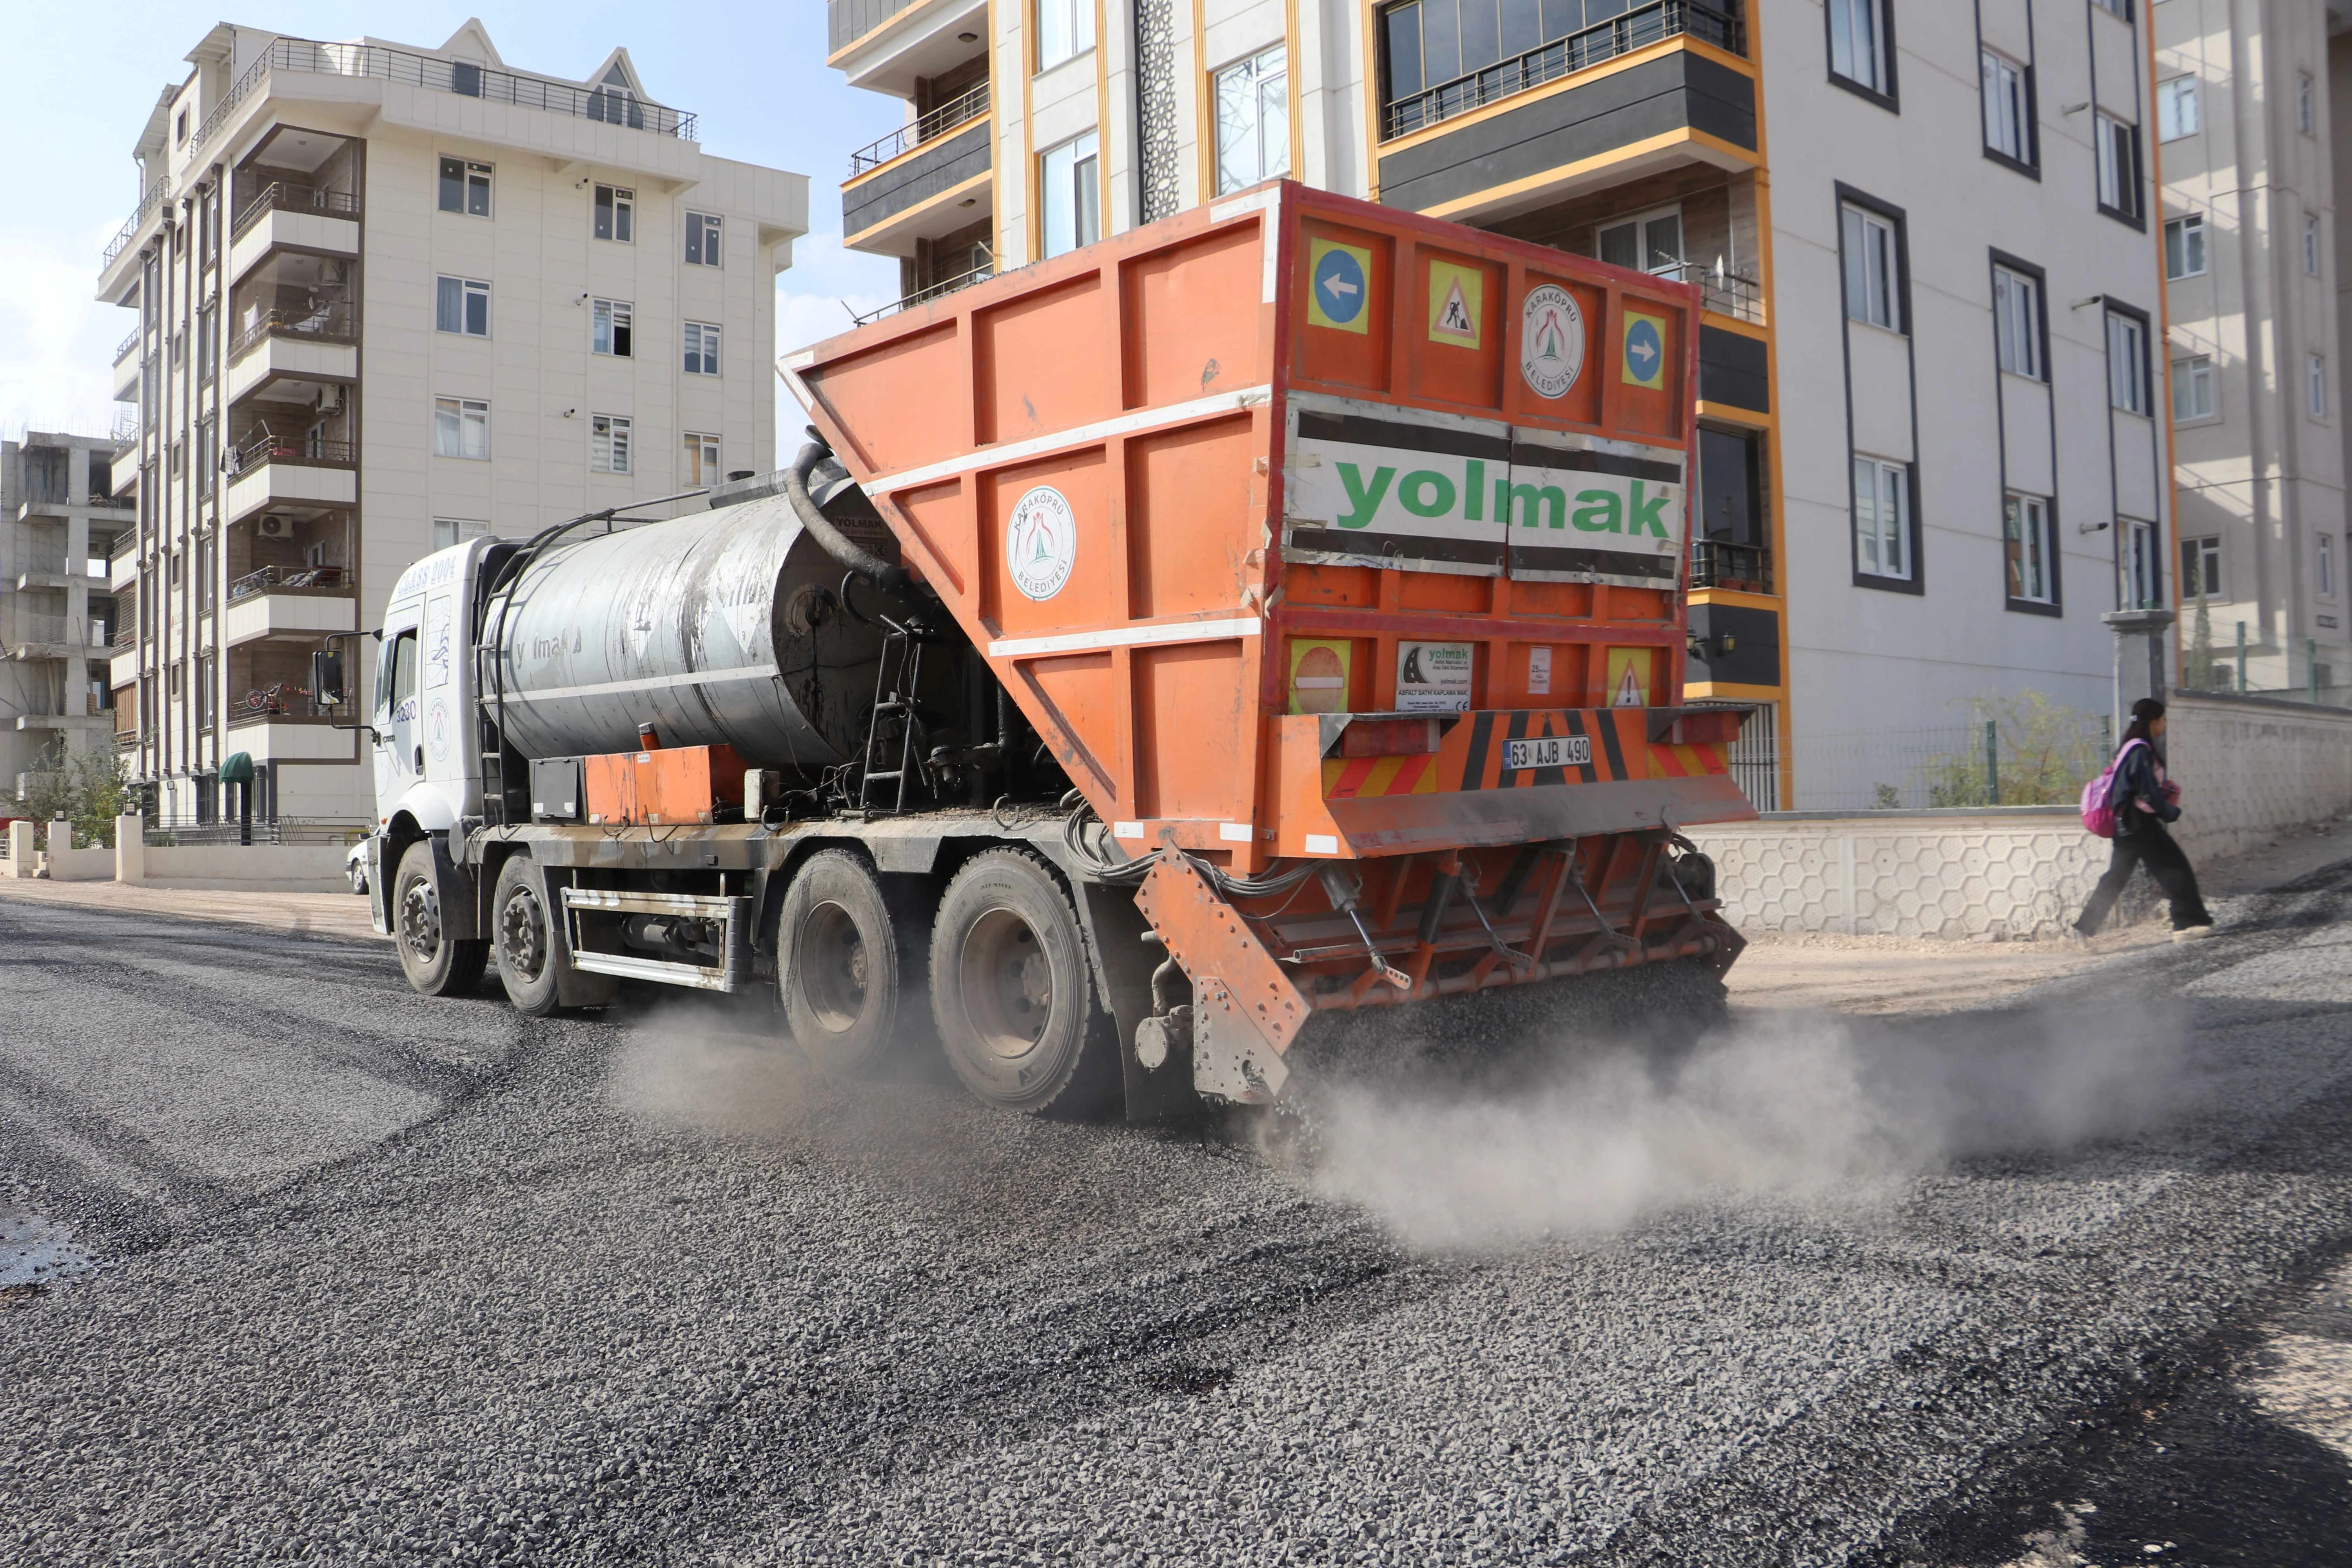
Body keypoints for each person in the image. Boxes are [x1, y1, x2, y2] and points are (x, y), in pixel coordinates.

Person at [2074, 697, 2214, 942]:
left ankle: (2083, 930)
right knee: (2174, 867)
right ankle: (2188, 923)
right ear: (2153, 721)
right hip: (2138, 823)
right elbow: (2147, 790)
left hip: (2125, 824)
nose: (2165, 725)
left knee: (2115, 878)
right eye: (2163, 720)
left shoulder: (2129, 747)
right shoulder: (2140, 750)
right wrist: (2168, 812)